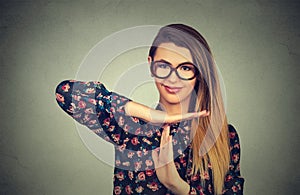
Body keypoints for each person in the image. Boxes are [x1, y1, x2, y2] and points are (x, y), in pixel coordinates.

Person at [55, 24, 244, 195]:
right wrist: (152, 114)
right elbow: (66, 93)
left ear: (199, 73)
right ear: (150, 64)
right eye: (163, 66)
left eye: (185, 68)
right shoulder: (130, 126)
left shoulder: (224, 136)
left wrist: (178, 187)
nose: (172, 78)